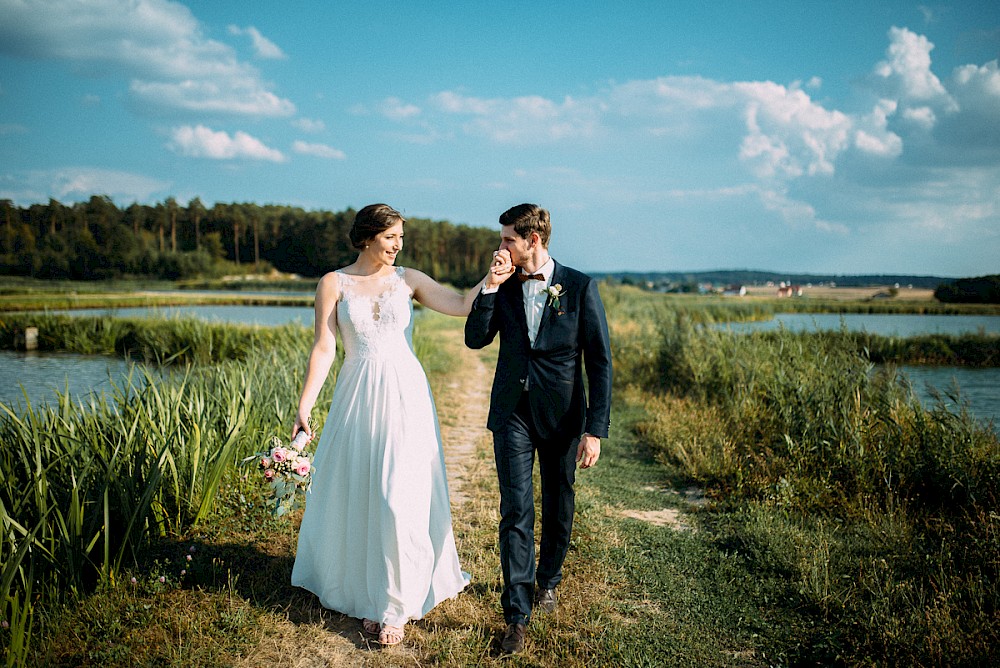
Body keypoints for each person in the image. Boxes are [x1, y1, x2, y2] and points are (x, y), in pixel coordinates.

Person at [290, 203, 502, 647]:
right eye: (391, 237)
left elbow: (463, 304)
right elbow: (324, 348)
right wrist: (304, 406)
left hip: (405, 395)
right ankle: (371, 595)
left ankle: (394, 606)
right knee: (363, 491)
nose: (398, 245)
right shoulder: (333, 283)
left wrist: (492, 279)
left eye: (401, 237)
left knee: (395, 494)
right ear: (368, 236)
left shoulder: (410, 279)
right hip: (356, 395)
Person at [464, 203, 613, 654]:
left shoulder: (580, 286)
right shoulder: (503, 285)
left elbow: (600, 362)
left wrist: (595, 429)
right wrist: (490, 286)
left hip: (563, 414)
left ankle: (548, 580)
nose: (502, 246)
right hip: (512, 411)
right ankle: (516, 616)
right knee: (515, 509)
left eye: (509, 238)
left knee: (559, 501)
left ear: (534, 240)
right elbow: (475, 339)